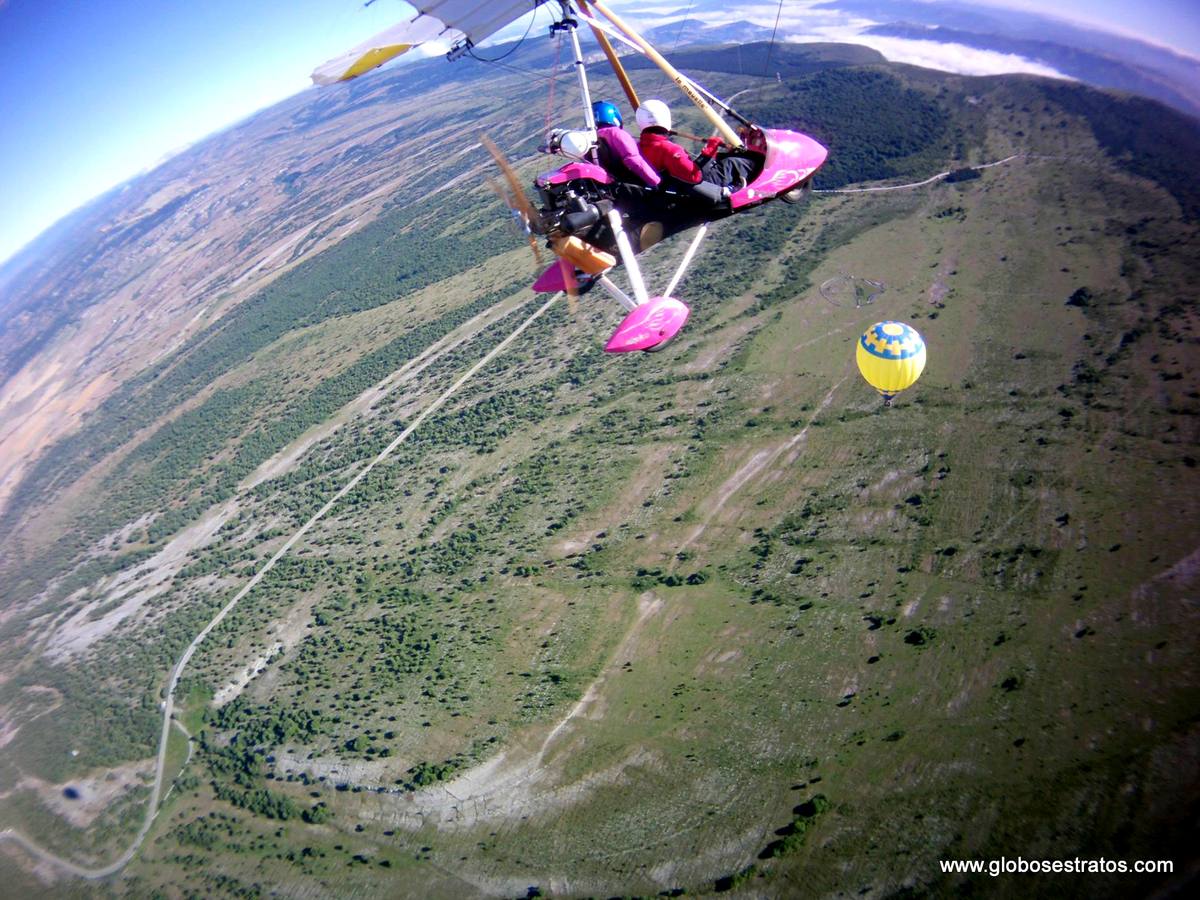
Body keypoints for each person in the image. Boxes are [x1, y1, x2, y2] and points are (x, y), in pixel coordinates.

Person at [635, 98, 756, 199]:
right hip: (696, 186)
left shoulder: (641, 146)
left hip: (674, 184)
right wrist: (710, 149)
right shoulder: (668, 149)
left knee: (721, 158)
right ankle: (732, 189)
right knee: (734, 163)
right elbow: (695, 176)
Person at [591, 100, 661, 189]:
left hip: (609, 186)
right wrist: (655, 181)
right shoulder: (616, 133)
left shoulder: (590, 138)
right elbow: (632, 159)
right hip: (630, 183)